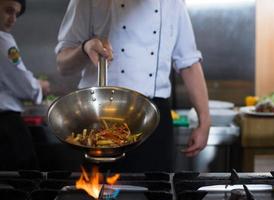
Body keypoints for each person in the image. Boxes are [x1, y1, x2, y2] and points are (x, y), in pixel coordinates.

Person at [55, 0, 210, 172]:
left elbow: (188, 62)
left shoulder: (172, 3)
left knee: (155, 190)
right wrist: (85, 48)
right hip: (98, 117)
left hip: (152, 119)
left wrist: (205, 121)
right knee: (98, 192)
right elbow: (63, 64)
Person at [0, 0, 50, 170]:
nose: (13, 19)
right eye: (8, 11)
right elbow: (21, 82)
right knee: (22, 184)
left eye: (16, 14)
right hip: (6, 126)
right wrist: (39, 86)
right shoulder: (3, 40)